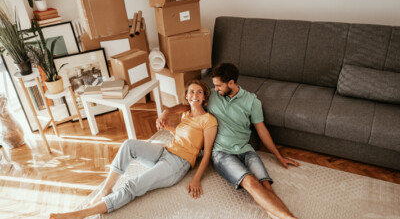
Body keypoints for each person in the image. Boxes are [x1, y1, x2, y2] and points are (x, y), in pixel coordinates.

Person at [50, 80, 218, 219]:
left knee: (132, 185)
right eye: (191, 92)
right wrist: (168, 126)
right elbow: (183, 134)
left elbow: (207, 152)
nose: (194, 95)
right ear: (187, 95)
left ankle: (80, 214)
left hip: (178, 163)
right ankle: (106, 189)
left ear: (205, 97)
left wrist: (196, 179)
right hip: (166, 151)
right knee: (129, 145)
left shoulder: (209, 120)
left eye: (198, 92)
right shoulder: (186, 113)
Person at [157, 63, 300, 219]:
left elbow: (261, 130)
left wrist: (278, 156)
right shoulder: (211, 95)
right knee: (251, 182)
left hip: (245, 149)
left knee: (267, 187)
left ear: (231, 83)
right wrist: (167, 111)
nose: (215, 89)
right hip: (222, 153)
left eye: (219, 86)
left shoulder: (252, 101)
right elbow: (187, 106)